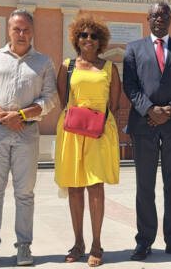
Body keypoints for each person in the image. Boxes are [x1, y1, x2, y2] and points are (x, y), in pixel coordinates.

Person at [0, 9, 58, 267]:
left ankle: (24, 247)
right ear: (8, 31)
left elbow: (50, 99)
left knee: (25, 193)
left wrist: (20, 115)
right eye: (16, 29)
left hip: (27, 132)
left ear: (32, 32)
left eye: (26, 30)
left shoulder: (43, 62)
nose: (21, 34)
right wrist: (2, 116)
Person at [123, 2, 171, 261]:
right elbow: (130, 86)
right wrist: (149, 110)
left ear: (170, 19)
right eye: (155, 15)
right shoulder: (133, 49)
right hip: (143, 126)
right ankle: (144, 241)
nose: (159, 18)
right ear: (148, 19)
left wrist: (170, 109)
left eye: (164, 15)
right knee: (144, 185)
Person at [54, 14, 121, 267]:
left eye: (93, 36)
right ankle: (78, 242)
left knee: (95, 186)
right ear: (76, 39)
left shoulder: (108, 68)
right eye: (83, 35)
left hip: (100, 131)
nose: (88, 39)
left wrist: (95, 120)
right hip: (72, 132)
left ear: (101, 40)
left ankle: (96, 244)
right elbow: (63, 99)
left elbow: (113, 104)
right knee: (74, 187)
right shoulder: (67, 66)